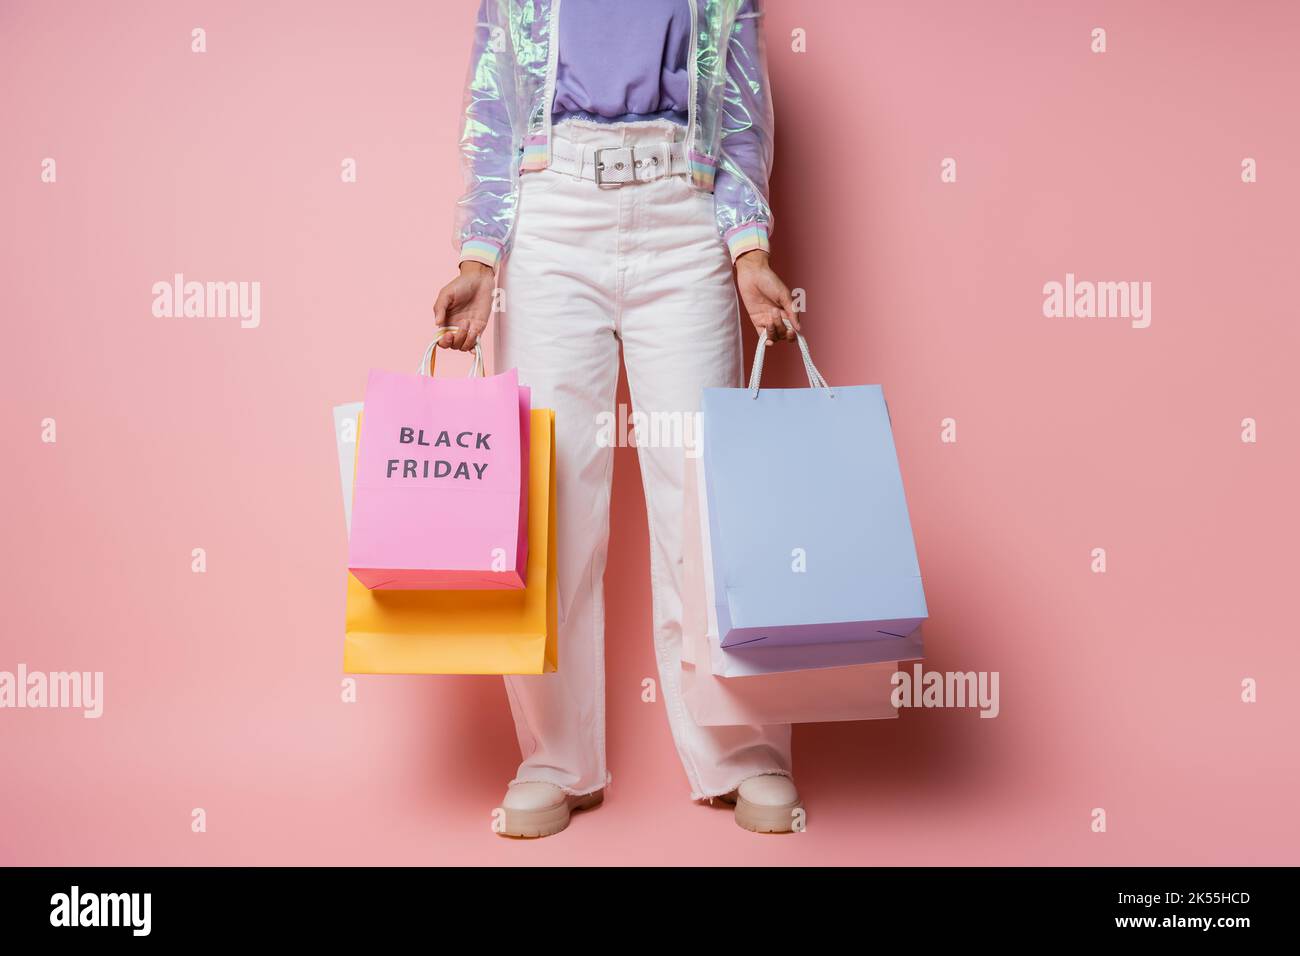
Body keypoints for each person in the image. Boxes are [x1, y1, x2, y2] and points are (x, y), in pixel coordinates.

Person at [433, 0, 804, 837]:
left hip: (685, 207)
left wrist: (749, 248)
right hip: (554, 211)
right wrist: (479, 253)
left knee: (700, 502)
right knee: (551, 500)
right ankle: (558, 759)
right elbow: (495, 106)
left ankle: (740, 755)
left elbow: (741, 110)